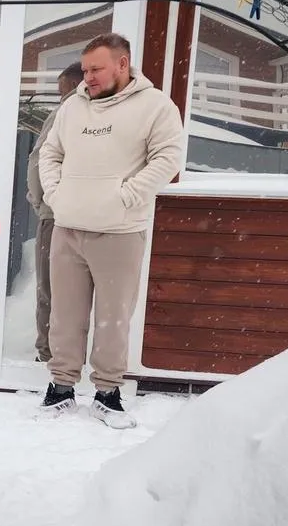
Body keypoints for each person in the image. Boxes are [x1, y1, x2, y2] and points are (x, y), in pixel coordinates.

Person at [37, 33, 185, 429]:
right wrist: (56, 192)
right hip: (69, 226)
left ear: (122, 64)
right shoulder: (73, 107)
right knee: (64, 315)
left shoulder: (155, 106)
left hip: (120, 230)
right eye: (85, 70)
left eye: (96, 69)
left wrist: (127, 195)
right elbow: (51, 152)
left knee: (113, 317)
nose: (88, 78)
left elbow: (168, 156)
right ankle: (62, 386)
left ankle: (107, 391)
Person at [25, 62, 84, 364]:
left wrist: (40, 203)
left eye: (63, 92)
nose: (62, 100)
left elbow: (37, 160)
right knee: (79, 290)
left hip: (56, 214)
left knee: (50, 287)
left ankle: (49, 353)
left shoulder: (63, 115)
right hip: (91, 215)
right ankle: (75, 353)